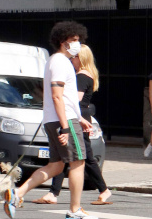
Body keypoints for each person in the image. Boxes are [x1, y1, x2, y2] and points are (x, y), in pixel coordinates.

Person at [4, 21, 99, 219]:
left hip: (58, 119)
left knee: (56, 166)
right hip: (62, 121)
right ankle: (74, 210)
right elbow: (57, 96)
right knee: (78, 162)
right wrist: (66, 126)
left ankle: (17, 194)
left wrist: (79, 118)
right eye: (74, 40)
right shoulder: (60, 62)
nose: (78, 44)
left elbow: (65, 98)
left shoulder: (57, 61)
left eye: (78, 40)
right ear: (63, 42)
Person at [36, 45, 111, 205]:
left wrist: (58, 95)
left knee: (81, 157)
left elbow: (74, 99)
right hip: (76, 116)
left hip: (77, 117)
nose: (71, 60)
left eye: (74, 57)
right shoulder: (83, 75)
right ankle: (54, 193)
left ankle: (103, 190)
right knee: (70, 156)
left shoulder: (82, 76)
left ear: (80, 58)